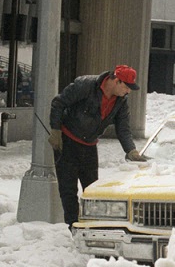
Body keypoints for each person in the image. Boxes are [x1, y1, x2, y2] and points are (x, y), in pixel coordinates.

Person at [48, 64, 148, 231]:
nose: (128, 91)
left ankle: (93, 226)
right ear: (116, 81)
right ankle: (74, 227)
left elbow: (123, 128)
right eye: (127, 87)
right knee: (68, 189)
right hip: (68, 142)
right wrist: (56, 130)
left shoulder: (121, 102)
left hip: (89, 145)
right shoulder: (86, 85)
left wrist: (131, 150)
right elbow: (58, 103)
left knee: (93, 189)